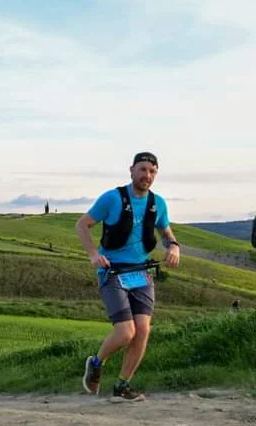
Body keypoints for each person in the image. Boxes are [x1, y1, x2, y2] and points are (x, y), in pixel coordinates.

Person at [75, 151, 180, 402]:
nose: (147, 175)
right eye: (142, 170)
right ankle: (97, 362)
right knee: (125, 333)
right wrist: (92, 255)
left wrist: (174, 246)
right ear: (131, 170)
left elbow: (165, 230)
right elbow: (82, 224)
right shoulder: (112, 198)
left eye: (152, 171)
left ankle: (122, 386)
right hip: (112, 272)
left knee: (143, 330)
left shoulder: (158, 203)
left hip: (141, 273)